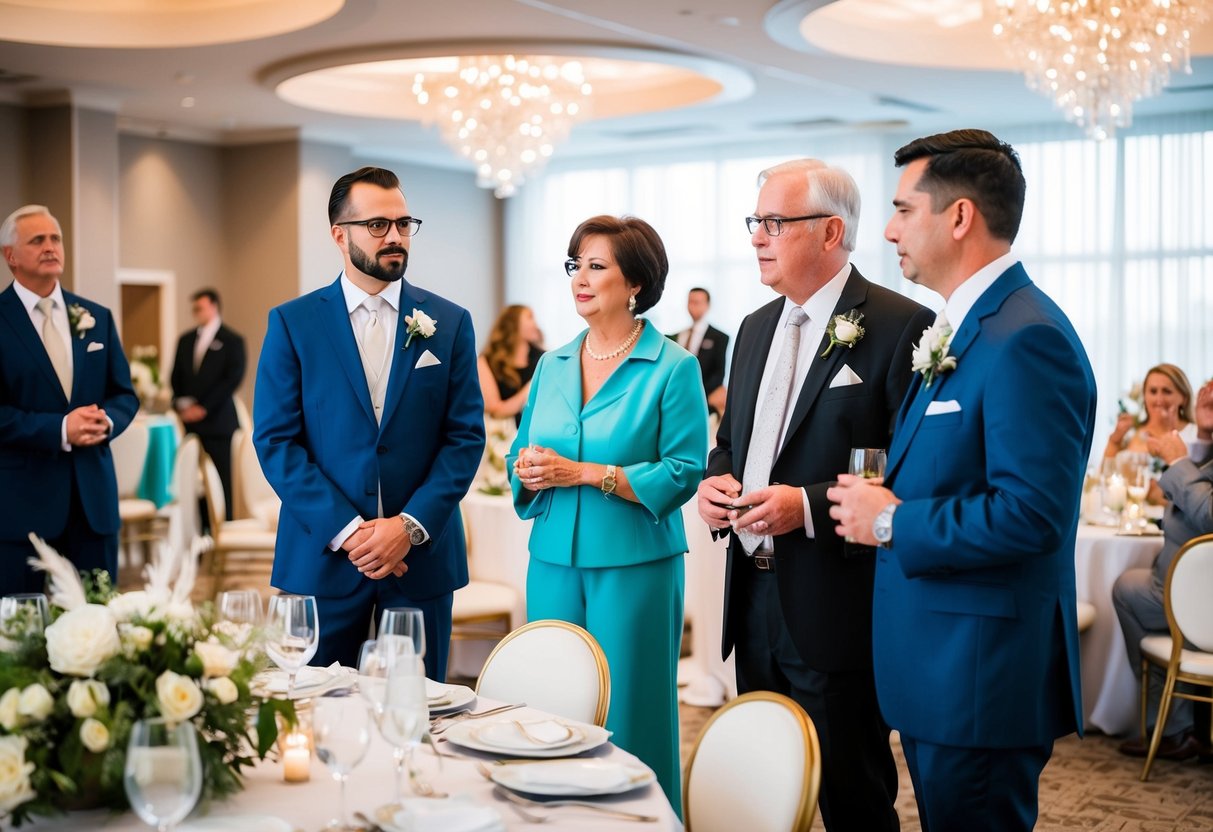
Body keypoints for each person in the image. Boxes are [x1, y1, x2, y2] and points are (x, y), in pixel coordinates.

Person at [828, 130, 1097, 832]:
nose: (886, 230)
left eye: (900, 209)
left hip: (978, 676)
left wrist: (889, 521)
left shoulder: (1025, 337)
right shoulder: (966, 325)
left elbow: (1031, 514)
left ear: (958, 217)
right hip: (937, 667)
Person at [696, 159, 932, 831]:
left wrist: (803, 506)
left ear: (831, 232)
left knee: (849, 796)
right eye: (755, 222)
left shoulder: (898, 326)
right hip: (752, 595)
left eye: (773, 222)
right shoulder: (753, 328)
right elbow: (732, 444)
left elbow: (904, 471)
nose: (757, 237)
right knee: (764, 787)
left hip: (836, 601)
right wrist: (716, 483)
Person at [507, 215, 707, 815]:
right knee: (551, 707)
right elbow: (522, 447)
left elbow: (683, 470)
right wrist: (528, 467)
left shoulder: (673, 367)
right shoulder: (553, 364)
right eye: (576, 266)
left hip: (634, 564)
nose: (580, 279)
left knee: (631, 712)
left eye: (597, 266)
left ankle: (644, 822)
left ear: (635, 284)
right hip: (552, 562)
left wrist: (585, 473)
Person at [253, 167, 485, 680]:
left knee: (421, 713)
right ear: (340, 235)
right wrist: (353, 532)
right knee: (318, 714)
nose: (396, 237)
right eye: (378, 225)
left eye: (404, 224)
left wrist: (408, 527)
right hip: (325, 560)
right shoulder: (293, 324)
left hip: (419, 562)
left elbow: (464, 438)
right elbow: (276, 442)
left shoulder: (449, 323)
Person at [0, 204, 139, 594]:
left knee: (97, 629)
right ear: (10, 255)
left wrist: (107, 420)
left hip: (93, 506)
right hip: (20, 511)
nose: (50, 247)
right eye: (37, 240)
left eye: (55, 238)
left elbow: (124, 393)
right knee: (22, 638)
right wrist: (60, 428)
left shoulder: (96, 316)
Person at [1112, 377, 1213, 762]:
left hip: (1197, 599)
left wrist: (1177, 460)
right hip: (1185, 588)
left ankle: (1172, 721)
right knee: (1129, 584)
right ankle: (1179, 720)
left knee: (1124, 590)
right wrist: (1203, 430)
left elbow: (1206, 513)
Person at [170, 288, 246, 520]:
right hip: (191, 424)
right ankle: (198, 527)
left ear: (214, 306)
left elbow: (232, 379)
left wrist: (203, 408)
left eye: (200, 307)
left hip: (218, 422)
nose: (196, 312)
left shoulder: (232, 340)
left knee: (222, 479)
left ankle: (224, 525)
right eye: (194, 309)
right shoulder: (185, 340)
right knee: (193, 479)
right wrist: (181, 406)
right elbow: (175, 377)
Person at [477, 304, 544, 426]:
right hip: (505, 439)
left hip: (538, 435)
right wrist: (530, 387)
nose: (535, 324)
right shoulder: (487, 362)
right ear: (513, 323)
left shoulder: (543, 358)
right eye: (530, 317)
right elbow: (495, 411)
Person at [669, 287, 729, 411]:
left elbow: (718, 374)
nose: (693, 306)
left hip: (703, 401)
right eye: (690, 302)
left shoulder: (719, 337)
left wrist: (699, 396)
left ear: (707, 305)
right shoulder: (675, 336)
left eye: (697, 302)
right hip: (674, 399)